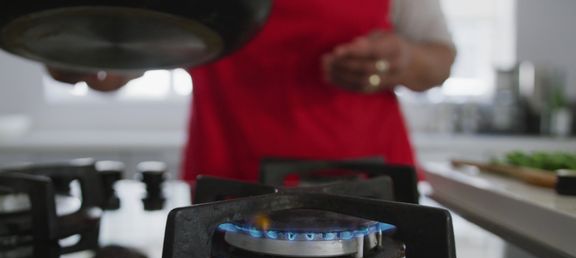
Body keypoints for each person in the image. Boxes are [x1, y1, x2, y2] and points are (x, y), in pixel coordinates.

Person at [49, 0, 455, 182]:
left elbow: (439, 61)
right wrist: (82, 49)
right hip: (229, 184)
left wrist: (400, 61)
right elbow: (119, 67)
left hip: (368, 182)